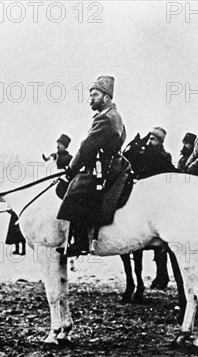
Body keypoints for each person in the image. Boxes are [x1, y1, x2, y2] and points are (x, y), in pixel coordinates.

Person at [57, 75, 127, 256]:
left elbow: (86, 147)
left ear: (106, 97)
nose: (91, 99)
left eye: (95, 95)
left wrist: (71, 169)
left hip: (105, 167)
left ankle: (80, 242)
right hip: (111, 164)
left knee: (76, 189)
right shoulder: (114, 116)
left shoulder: (106, 118)